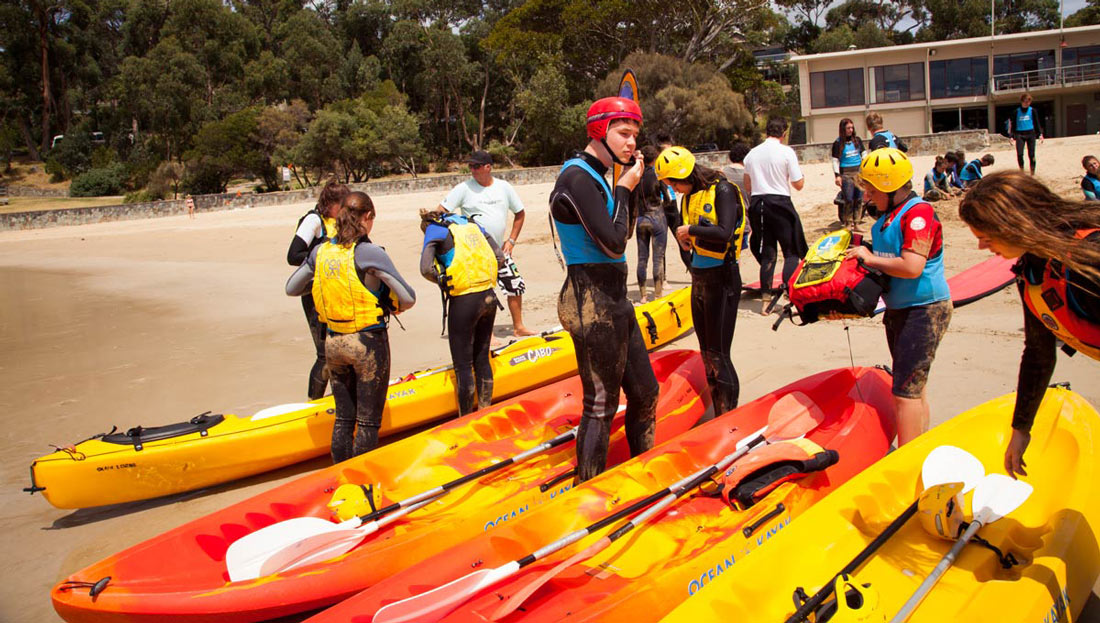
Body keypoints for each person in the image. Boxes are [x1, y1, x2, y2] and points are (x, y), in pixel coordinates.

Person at [959, 171, 1100, 478]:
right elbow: (1038, 353)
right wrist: (1021, 427)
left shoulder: (1090, 255)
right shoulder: (1033, 271)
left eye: (986, 237)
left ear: (1013, 224)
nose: (983, 247)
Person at [549, 96, 659, 484]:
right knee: (601, 404)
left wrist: (629, 185)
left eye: (635, 135)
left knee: (645, 392)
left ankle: (641, 472)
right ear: (600, 131)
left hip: (614, 299)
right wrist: (625, 190)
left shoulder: (602, 176)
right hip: (589, 299)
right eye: (623, 133)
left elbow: (622, 233)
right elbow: (613, 244)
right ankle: (588, 485)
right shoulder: (577, 178)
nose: (632, 143)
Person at [286, 191, 416, 462]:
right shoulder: (369, 252)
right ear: (367, 217)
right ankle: (362, 485)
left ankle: (340, 478)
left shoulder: (321, 251)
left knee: (344, 419)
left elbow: (292, 288)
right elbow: (408, 297)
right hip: (366, 344)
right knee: (367, 423)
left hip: (334, 343)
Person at [846, 147, 952, 447]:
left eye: (871, 190)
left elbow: (911, 265)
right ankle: (920, 446)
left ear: (889, 187)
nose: (867, 196)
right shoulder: (887, 218)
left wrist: (868, 257)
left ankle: (907, 457)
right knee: (914, 388)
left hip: (924, 310)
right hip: (901, 311)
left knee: (904, 392)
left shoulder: (918, 213)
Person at [656, 146, 746, 415]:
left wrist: (690, 230)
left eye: (672, 182)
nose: (672, 188)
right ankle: (718, 408)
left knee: (719, 353)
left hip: (723, 278)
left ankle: (727, 413)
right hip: (700, 278)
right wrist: (685, 241)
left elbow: (725, 232)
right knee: (706, 351)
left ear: (683, 174)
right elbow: (693, 239)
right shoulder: (689, 197)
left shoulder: (724, 190)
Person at [439, 150, 534, 337]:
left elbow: (520, 213)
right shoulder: (463, 189)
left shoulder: (503, 187)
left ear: (488, 167)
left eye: (476, 166)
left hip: (499, 250)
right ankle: (485, 335)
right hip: (475, 253)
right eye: (470, 166)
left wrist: (512, 240)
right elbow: (441, 212)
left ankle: (519, 327)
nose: (472, 170)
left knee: (515, 284)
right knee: (483, 292)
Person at [418, 209, 504, 415]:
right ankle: (485, 410)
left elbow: (425, 268)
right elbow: (499, 257)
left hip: (464, 300)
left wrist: (444, 280)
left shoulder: (434, 229)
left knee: (463, 365)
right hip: (489, 296)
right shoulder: (472, 224)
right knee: (482, 357)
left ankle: (465, 418)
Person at [286, 181, 349, 400]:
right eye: (342, 205)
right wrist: (323, 256)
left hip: (336, 292)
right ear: (330, 203)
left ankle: (340, 398)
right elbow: (293, 255)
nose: (345, 210)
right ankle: (314, 401)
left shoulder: (340, 221)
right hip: (314, 296)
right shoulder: (314, 221)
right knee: (324, 354)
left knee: (341, 349)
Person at [743, 117, 808, 309]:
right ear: (784, 133)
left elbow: (748, 186)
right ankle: (789, 293)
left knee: (768, 253)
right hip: (779, 202)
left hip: (758, 204)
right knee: (791, 252)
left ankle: (765, 300)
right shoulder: (787, 151)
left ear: (766, 132)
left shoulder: (752, 154)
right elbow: (798, 185)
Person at [636, 144, 669, 302]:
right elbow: (667, 198)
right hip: (657, 216)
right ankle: (657, 294)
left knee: (642, 258)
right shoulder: (657, 175)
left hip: (641, 218)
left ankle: (642, 295)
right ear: (655, 159)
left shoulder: (636, 177)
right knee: (658, 258)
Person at [831, 118, 866, 230]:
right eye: (848, 128)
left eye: (852, 127)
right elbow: (835, 160)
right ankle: (847, 223)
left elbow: (864, 154)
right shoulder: (837, 143)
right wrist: (837, 176)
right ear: (843, 129)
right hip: (846, 173)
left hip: (858, 172)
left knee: (859, 198)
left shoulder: (857, 140)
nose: (850, 130)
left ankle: (856, 223)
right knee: (849, 199)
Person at [1008, 94, 1044, 174]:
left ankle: (1032, 173)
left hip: (1031, 133)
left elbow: (1037, 122)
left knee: (1031, 155)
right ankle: (1022, 171)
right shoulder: (1016, 111)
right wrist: (1011, 136)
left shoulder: (1032, 110)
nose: (1027, 103)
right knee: (1020, 154)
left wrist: (1040, 134)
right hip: (1019, 134)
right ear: (1022, 102)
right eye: (1025, 102)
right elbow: (1012, 125)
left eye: (1028, 102)